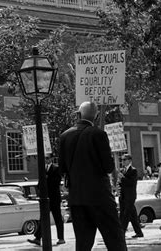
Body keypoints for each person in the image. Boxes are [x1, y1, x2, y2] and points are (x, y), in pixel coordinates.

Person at [59, 101, 126, 251]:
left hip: (76, 198)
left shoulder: (64, 136)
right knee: (115, 239)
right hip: (99, 197)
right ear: (96, 116)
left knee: (83, 244)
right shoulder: (98, 134)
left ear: (78, 114)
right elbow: (108, 167)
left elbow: (62, 168)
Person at [28, 155, 65, 246]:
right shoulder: (42, 169)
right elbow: (40, 182)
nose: (46, 160)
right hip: (45, 199)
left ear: (52, 159)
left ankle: (61, 238)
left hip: (54, 198)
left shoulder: (56, 168)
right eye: (45, 158)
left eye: (48, 158)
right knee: (43, 219)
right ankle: (37, 238)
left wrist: (47, 178)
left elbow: (57, 181)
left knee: (58, 218)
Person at [118, 154, 143, 238]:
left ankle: (122, 232)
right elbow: (120, 183)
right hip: (123, 196)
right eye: (122, 160)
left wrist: (123, 178)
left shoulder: (133, 170)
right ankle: (139, 232)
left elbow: (131, 183)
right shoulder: (122, 170)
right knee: (132, 216)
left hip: (130, 196)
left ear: (129, 160)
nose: (123, 161)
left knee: (126, 215)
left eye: (124, 160)